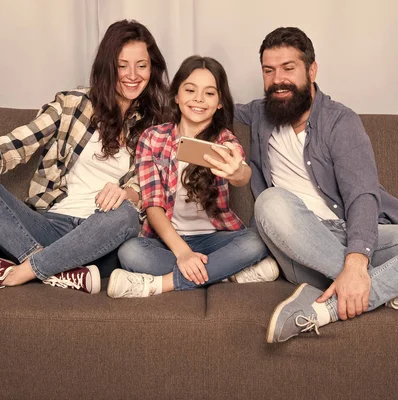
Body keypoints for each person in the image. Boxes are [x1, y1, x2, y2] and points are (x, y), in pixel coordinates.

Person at [234, 27, 398, 343]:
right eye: (269, 71)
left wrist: (356, 262)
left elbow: (362, 195)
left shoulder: (340, 121)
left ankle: (329, 308)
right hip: (299, 247)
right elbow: (202, 102)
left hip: (356, 234)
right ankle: (397, 292)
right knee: (270, 202)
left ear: (312, 70)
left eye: (288, 68)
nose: (278, 79)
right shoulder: (258, 113)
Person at [0, 20, 169, 294]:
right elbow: (19, 142)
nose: (132, 75)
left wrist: (125, 193)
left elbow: (151, 189)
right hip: (49, 225)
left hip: (101, 239)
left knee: (126, 217)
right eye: (122, 65)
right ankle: (56, 270)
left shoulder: (158, 125)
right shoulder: (73, 104)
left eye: (141, 65)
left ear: (152, 69)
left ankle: (23, 270)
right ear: (108, 66)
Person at [109, 56, 278, 298]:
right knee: (130, 252)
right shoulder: (152, 138)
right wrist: (183, 253)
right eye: (190, 90)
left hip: (215, 238)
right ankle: (228, 274)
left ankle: (161, 284)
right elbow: (153, 205)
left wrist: (238, 172)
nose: (198, 99)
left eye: (209, 93)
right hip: (168, 241)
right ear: (177, 96)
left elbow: (241, 172)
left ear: (219, 102)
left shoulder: (223, 139)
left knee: (257, 241)